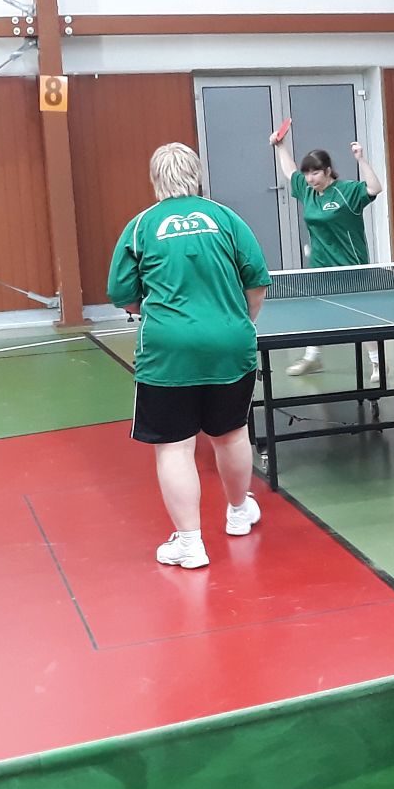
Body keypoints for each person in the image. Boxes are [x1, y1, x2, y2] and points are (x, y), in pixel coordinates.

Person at [108, 143, 271, 569]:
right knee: (231, 433)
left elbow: (122, 294)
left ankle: (190, 544)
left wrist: (158, 311)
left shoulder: (141, 226)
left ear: (155, 179)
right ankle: (239, 513)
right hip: (230, 343)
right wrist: (238, 323)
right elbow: (256, 281)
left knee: (174, 447)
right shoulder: (226, 218)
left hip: (168, 351)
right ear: (196, 175)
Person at [269, 125, 385, 378]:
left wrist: (361, 159)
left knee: (360, 316)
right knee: (315, 310)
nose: (310, 178)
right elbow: (290, 172)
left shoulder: (347, 191)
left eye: (315, 173)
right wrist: (280, 146)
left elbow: (375, 188)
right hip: (320, 264)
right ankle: (313, 358)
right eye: (307, 174)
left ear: (328, 171)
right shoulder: (307, 191)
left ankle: (377, 364)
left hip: (350, 265)